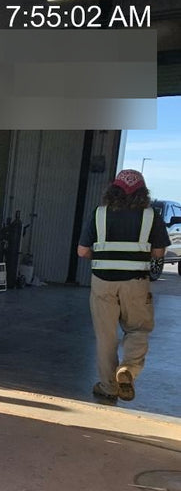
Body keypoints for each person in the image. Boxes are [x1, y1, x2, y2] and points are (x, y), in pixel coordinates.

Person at [77, 169, 170, 403]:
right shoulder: (151, 216)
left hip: (102, 283)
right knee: (138, 329)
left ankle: (108, 386)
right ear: (143, 192)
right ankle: (127, 369)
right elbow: (159, 252)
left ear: (113, 190)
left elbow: (82, 251)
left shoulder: (99, 214)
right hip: (135, 283)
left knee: (106, 337)